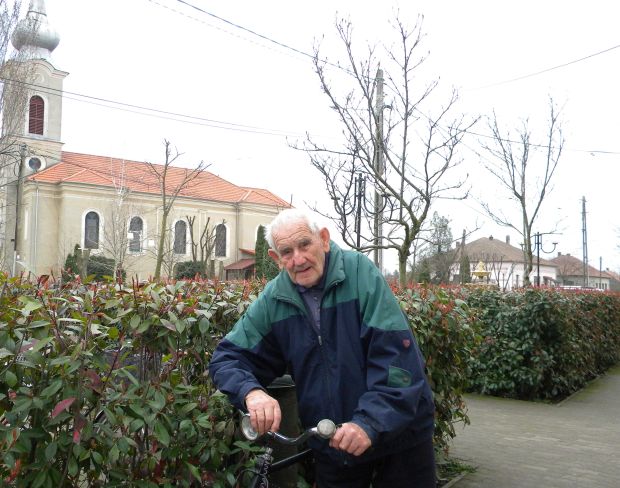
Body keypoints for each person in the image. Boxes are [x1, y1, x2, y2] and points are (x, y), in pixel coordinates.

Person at [209, 209, 435, 487]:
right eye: (287, 252)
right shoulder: (274, 300)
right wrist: (251, 392)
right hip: (334, 444)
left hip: (400, 438)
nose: (298, 259)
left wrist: (370, 423)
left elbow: (398, 362)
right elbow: (227, 357)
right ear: (276, 259)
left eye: (305, 244)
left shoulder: (360, 274)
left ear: (324, 239)